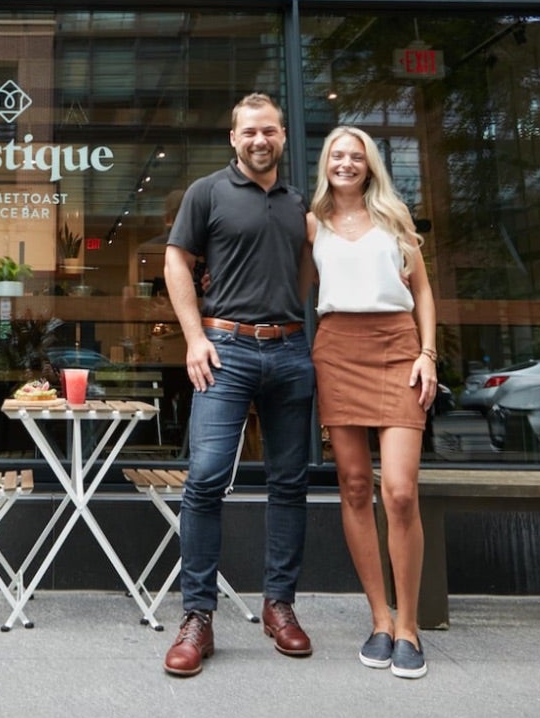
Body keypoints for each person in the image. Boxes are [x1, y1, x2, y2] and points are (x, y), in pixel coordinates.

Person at [160, 92, 316, 678]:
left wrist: (289, 318)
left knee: (289, 483)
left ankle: (280, 607)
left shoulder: (299, 200)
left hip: (290, 351)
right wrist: (195, 337)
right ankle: (197, 618)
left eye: (269, 131)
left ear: (281, 136)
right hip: (224, 351)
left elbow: (307, 265)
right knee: (204, 479)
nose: (260, 140)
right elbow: (177, 261)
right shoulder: (207, 192)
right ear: (234, 138)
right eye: (249, 131)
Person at [306, 124, 439, 679]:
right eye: (336, 155)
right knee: (356, 486)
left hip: (396, 345)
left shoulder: (395, 218)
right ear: (325, 164)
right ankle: (380, 619)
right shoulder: (312, 223)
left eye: (355, 156)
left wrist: (428, 353)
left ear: (369, 164)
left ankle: (409, 626)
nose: (345, 163)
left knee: (400, 491)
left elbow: (423, 291)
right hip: (337, 347)